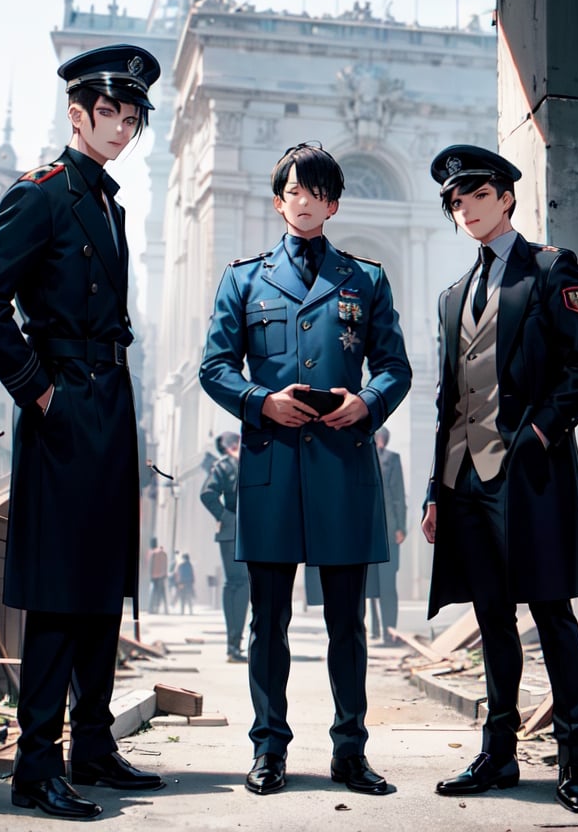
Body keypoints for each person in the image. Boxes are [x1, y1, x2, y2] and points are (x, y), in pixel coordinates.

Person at [0, 44, 164, 820]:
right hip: (64, 402)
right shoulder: (41, 194)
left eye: (131, 115)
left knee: (102, 583)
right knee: (56, 591)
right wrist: (39, 393)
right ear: (76, 114)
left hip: (113, 403)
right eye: (107, 112)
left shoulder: (110, 204)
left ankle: (94, 745)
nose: (119, 125)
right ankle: (35, 765)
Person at [199, 142, 411, 798]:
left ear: (334, 203)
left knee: (347, 622)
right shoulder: (243, 280)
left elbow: (395, 368)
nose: (307, 201)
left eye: (319, 192)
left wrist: (366, 403)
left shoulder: (366, 280)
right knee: (269, 621)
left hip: (343, 466)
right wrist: (260, 402)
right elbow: (214, 367)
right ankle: (269, 749)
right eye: (296, 190)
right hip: (270, 466)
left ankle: (350, 750)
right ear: (279, 199)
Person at [421, 144, 578, 816]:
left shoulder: (552, 268)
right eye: (453, 200)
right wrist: (433, 490)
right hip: (466, 481)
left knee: (552, 616)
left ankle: (574, 761)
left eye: (474, 194)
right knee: (491, 620)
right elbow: (449, 401)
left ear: (505, 196)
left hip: (530, 474)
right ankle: (497, 755)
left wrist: (537, 435)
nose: (463, 208)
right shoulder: (452, 298)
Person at [200, 432, 249, 662]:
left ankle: (237, 645)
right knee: (238, 586)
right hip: (232, 532)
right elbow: (207, 493)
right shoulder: (224, 465)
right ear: (233, 446)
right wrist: (226, 518)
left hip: (249, 531)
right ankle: (233, 646)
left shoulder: (246, 461)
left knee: (243, 587)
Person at [367, 427, 407, 645]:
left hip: (388, 532)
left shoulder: (391, 459)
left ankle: (388, 632)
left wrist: (401, 527)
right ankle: (375, 629)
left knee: (387, 585)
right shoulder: (362, 456)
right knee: (371, 584)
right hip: (369, 533)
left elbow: (398, 495)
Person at [147, 537, 169, 614]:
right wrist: (165, 574)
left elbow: (150, 566)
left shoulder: (152, 553)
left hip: (154, 576)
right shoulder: (164, 553)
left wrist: (150, 576)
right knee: (163, 593)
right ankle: (166, 610)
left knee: (153, 593)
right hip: (162, 576)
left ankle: (151, 609)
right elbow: (166, 565)